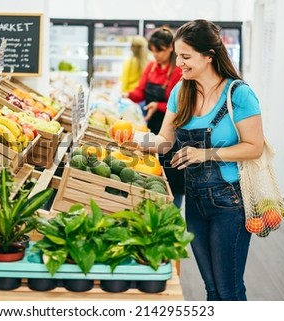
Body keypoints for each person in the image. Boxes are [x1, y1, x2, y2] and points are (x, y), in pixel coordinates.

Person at [112, 19, 264, 301]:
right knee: (212, 288)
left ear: (209, 55)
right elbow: (163, 141)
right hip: (196, 201)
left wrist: (206, 154)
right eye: (177, 55)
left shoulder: (239, 94)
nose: (178, 63)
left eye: (185, 56)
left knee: (229, 289)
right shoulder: (181, 92)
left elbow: (254, 147)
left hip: (229, 202)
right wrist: (131, 137)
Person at [123, 26, 185, 208]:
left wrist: (158, 105)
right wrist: (128, 95)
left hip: (173, 128)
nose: (156, 55)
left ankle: (173, 210)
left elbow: (182, 105)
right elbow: (141, 92)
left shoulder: (178, 72)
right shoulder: (151, 68)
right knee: (152, 172)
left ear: (171, 48)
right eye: (153, 51)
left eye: (160, 51)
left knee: (173, 174)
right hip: (152, 126)